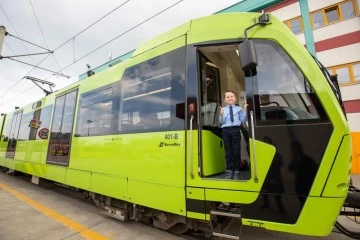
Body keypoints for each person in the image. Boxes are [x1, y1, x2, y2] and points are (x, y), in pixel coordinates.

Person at [219, 90, 247, 180]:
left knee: (236, 151)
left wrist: (245, 110)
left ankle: (236, 172)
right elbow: (221, 122)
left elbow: (243, 120)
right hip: (225, 131)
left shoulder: (239, 109)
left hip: (235, 130)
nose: (230, 98)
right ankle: (229, 171)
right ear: (225, 100)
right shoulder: (223, 109)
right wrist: (221, 115)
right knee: (228, 152)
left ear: (235, 99)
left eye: (232, 96)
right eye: (227, 97)